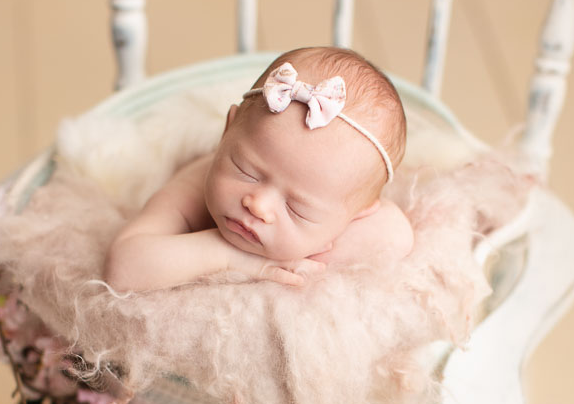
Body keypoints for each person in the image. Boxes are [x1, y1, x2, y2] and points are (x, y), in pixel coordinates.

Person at [103, 46, 414, 292]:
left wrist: (308, 252)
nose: (258, 205)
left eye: (297, 209)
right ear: (226, 134)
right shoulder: (194, 189)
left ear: (353, 216)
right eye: (246, 171)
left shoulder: (345, 211)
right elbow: (124, 268)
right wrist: (229, 256)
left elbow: (397, 235)